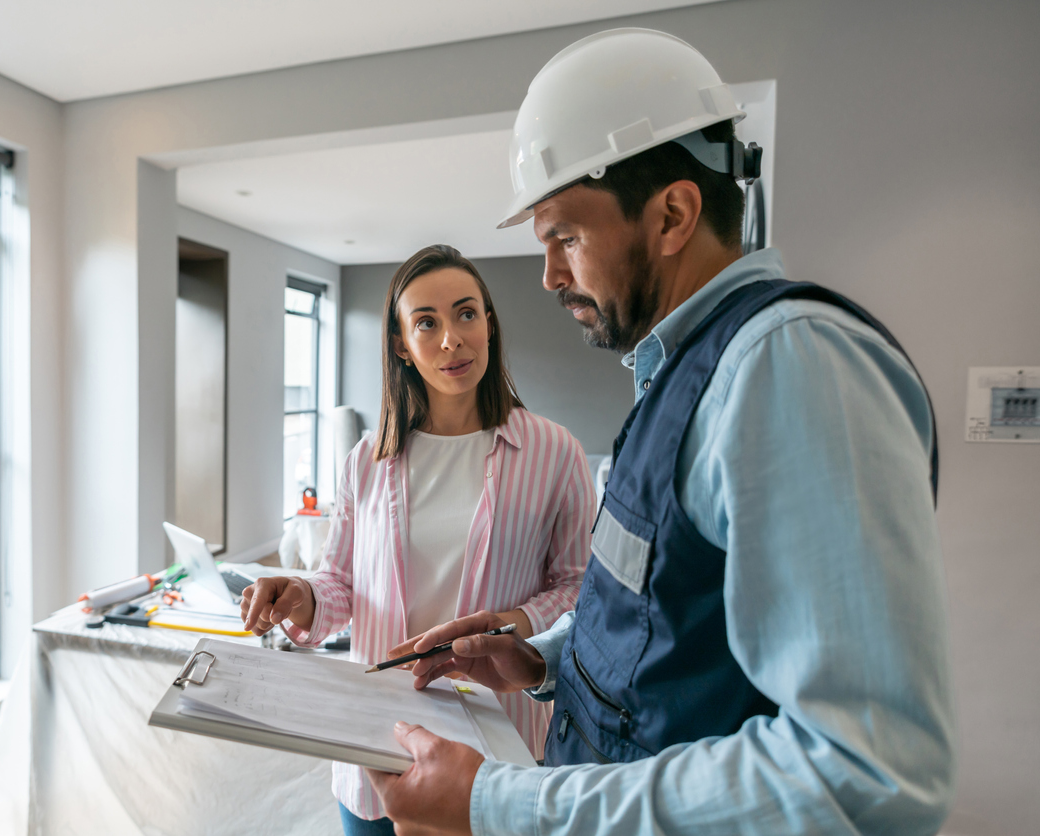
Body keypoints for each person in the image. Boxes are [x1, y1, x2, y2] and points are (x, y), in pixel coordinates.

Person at [368, 28, 956, 836]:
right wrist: (540, 655)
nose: (548, 277)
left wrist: (493, 802)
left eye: (564, 238)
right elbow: (664, 614)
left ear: (673, 213)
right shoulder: (685, 374)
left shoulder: (790, 367)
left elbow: (863, 771)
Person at [241, 245, 595, 835]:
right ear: (402, 344)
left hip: (498, 756)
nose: (451, 338)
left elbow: (579, 589)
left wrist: (508, 624)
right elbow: (341, 584)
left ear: (489, 323)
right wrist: (300, 594)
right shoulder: (366, 461)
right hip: (378, 754)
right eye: (426, 323)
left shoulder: (556, 452)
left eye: (466, 314)